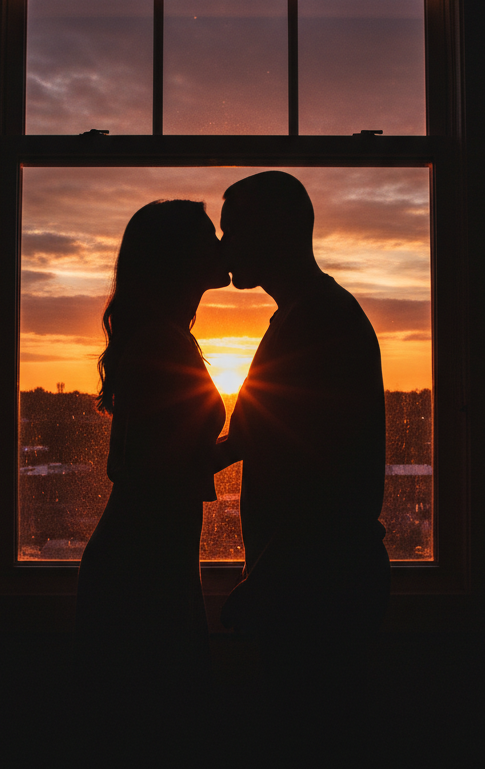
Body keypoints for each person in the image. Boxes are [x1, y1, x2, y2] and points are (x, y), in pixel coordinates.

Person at [215, 171, 390, 711]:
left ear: (274, 233)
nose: (223, 246)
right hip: (313, 579)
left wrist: (266, 577)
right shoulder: (303, 315)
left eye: (233, 231)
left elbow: (326, 479)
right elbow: (249, 435)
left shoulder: (318, 321)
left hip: (318, 587)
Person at [75, 200, 230, 707]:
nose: (222, 244)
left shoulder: (165, 338)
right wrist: (248, 439)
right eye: (210, 236)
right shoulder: (163, 344)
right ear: (179, 256)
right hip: (143, 561)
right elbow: (159, 469)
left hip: (147, 552)